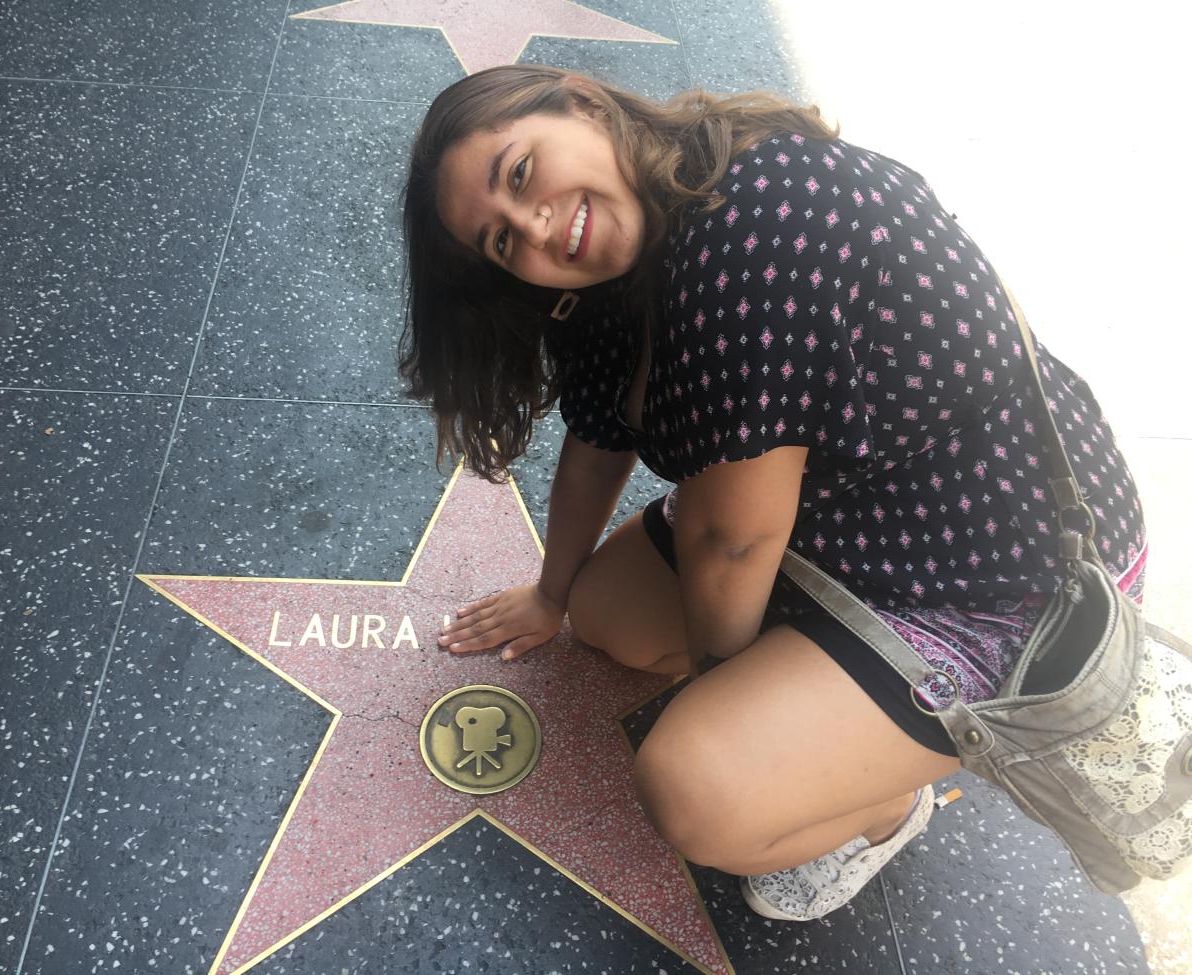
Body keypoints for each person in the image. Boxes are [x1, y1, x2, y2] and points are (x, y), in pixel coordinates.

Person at [400, 65, 1148, 921]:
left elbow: (735, 544)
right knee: (604, 614)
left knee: (696, 788)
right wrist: (551, 592)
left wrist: (735, 712)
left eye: (521, 172)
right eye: (502, 243)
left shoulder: (752, 227)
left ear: (583, 102)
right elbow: (599, 436)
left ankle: (882, 811)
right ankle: (825, 709)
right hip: (846, 508)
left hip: (998, 569)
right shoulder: (623, 248)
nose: (534, 227)